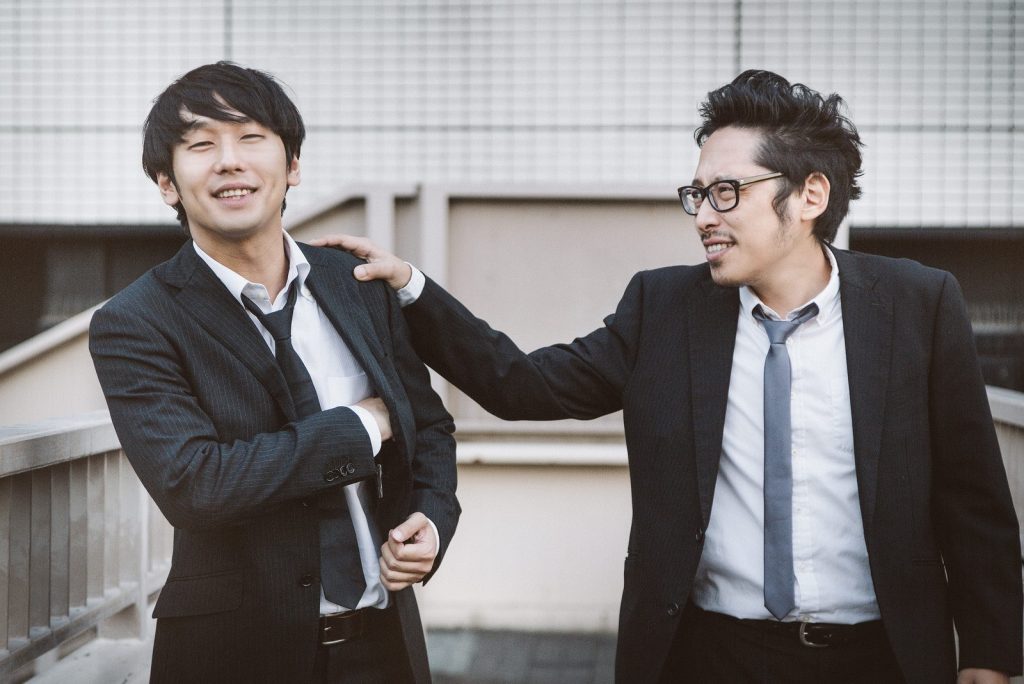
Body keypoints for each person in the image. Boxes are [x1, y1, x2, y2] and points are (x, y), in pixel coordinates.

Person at [314, 71, 1022, 683]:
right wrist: (411, 288)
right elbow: (520, 384)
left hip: (883, 657)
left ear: (810, 195)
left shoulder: (917, 304)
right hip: (711, 655)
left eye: (727, 193)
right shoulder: (665, 309)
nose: (704, 217)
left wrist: (991, 653)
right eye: (697, 194)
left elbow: (974, 497)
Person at [89, 62, 459, 683]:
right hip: (234, 656)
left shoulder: (358, 283)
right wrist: (360, 427)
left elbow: (428, 427)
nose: (229, 161)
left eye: (251, 137)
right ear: (167, 183)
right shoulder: (135, 321)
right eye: (201, 145)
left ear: (292, 166)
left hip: (383, 647)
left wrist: (432, 517)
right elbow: (196, 486)